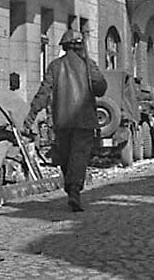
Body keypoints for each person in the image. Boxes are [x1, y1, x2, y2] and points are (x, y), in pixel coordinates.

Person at [23, 30, 107, 212]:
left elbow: (43, 93)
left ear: (64, 47)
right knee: (79, 156)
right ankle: (74, 190)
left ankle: (71, 189)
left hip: (62, 121)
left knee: (65, 157)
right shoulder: (88, 65)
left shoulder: (55, 66)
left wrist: (31, 116)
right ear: (79, 47)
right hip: (85, 121)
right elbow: (101, 88)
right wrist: (92, 70)